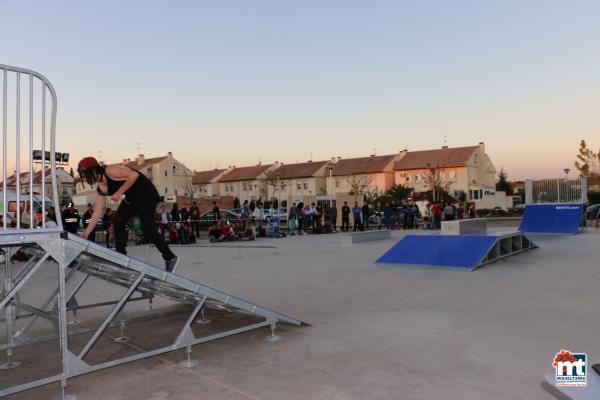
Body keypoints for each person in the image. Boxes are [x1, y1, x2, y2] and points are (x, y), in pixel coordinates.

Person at [77, 157, 178, 272]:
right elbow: (98, 211)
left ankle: (170, 257)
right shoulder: (101, 187)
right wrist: (86, 233)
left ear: (93, 171)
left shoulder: (110, 170)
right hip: (132, 200)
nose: (85, 179)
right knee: (118, 221)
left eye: (85, 176)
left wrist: (119, 192)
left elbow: (134, 175)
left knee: (147, 228)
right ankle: (121, 256)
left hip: (147, 196)